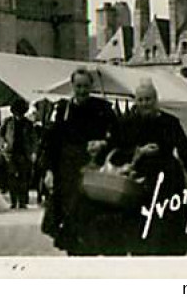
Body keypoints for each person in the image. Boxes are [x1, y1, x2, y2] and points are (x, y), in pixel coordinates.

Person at [110, 78, 187, 255]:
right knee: (140, 231)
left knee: (166, 231)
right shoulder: (127, 124)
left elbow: (185, 151)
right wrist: (138, 152)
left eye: (148, 99)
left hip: (167, 180)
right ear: (135, 101)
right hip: (138, 181)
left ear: (156, 100)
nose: (145, 104)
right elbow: (116, 153)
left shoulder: (170, 122)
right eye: (141, 100)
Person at [40, 68, 118, 255]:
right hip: (67, 171)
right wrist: (49, 170)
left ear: (91, 86)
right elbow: (51, 143)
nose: (82, 90)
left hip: (94, 169)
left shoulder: (103, 108)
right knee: (70, 217)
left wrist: (104, 143)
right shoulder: (62, 110)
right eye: (78, 86)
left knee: (91, 216)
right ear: (72, 86)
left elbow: (118, 135)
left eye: (85, 86)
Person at [0, 97, 34, 209]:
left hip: (24, 153)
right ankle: (14, 201)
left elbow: (33, 138)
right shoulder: (8, 122)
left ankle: (22, 201)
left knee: (23, 178)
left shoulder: (28, 124)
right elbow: (0, 134)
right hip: (11, 152)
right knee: (12, 177)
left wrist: (33, 151)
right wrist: (3, 143)